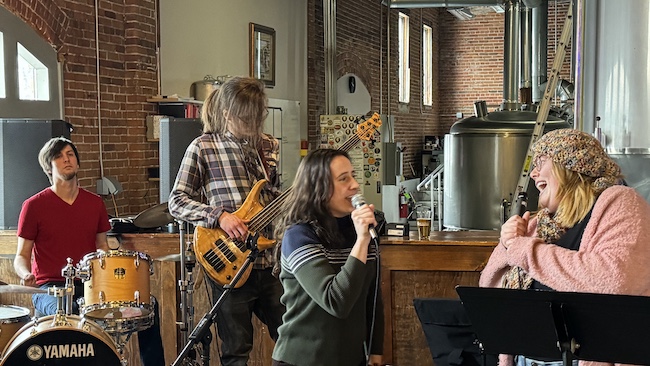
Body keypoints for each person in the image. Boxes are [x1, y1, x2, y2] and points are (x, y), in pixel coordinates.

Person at [479, 128, 650, 366]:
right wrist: (506, 247)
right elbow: (490, 298)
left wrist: (525, 250)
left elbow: (615, 279)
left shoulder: (620, 202)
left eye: (541, 161)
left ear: (570, 164)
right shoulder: (540, 223)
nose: (533, 173)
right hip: (523, 359)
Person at [14, 136, 165, 366]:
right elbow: (21, 256)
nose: (66, 159)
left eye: (70, 154)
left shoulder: (94, 203)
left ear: (78, 162)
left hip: (90, 287)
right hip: (50, 290)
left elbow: (102, 248)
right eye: (58, 156)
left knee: (147, 305)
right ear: (48, 166)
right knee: (70, 310)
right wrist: (26, 274)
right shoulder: (33, 205)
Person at [168, 76, 285, 366]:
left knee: (293, 336)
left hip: (269, 260)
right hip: (229, 261)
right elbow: (176, 201)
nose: (251, 124)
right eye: (245, 117)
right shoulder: (202, 147)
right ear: (226, 112)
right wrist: (219, 216)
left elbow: (273, 198)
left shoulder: (268, 146)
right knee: (236, 351)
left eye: (256, 117)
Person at [271, 148, 384, 366]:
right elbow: (336, 301)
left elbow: (372, 295)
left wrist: (375, 349)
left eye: (353, 176)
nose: (354, 185)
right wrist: (361, 242)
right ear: (318, 188)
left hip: (351, 359)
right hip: (302, 360)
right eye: (343, 179)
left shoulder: (361, 232)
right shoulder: (299, 236)